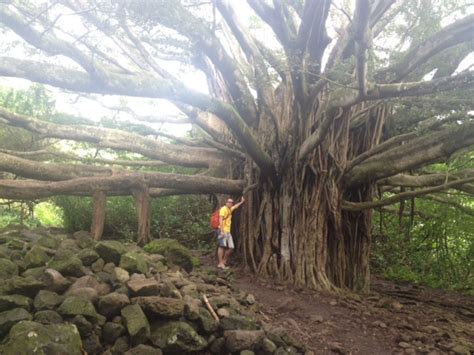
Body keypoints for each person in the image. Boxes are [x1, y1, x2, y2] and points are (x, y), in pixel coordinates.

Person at [217, 196, 245, 269]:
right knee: (222, 246)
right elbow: (220, 219)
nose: (230, 203)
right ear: (226, 203)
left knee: (231, 247)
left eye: (231, 202)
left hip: (228, 231)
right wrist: (222, 231)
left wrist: (242, 202)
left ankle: (223, 261)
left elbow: (236, 206)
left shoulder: (230, 209)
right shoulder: (223, 209)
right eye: (229, 202)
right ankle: (220, 263)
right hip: (222, 230)